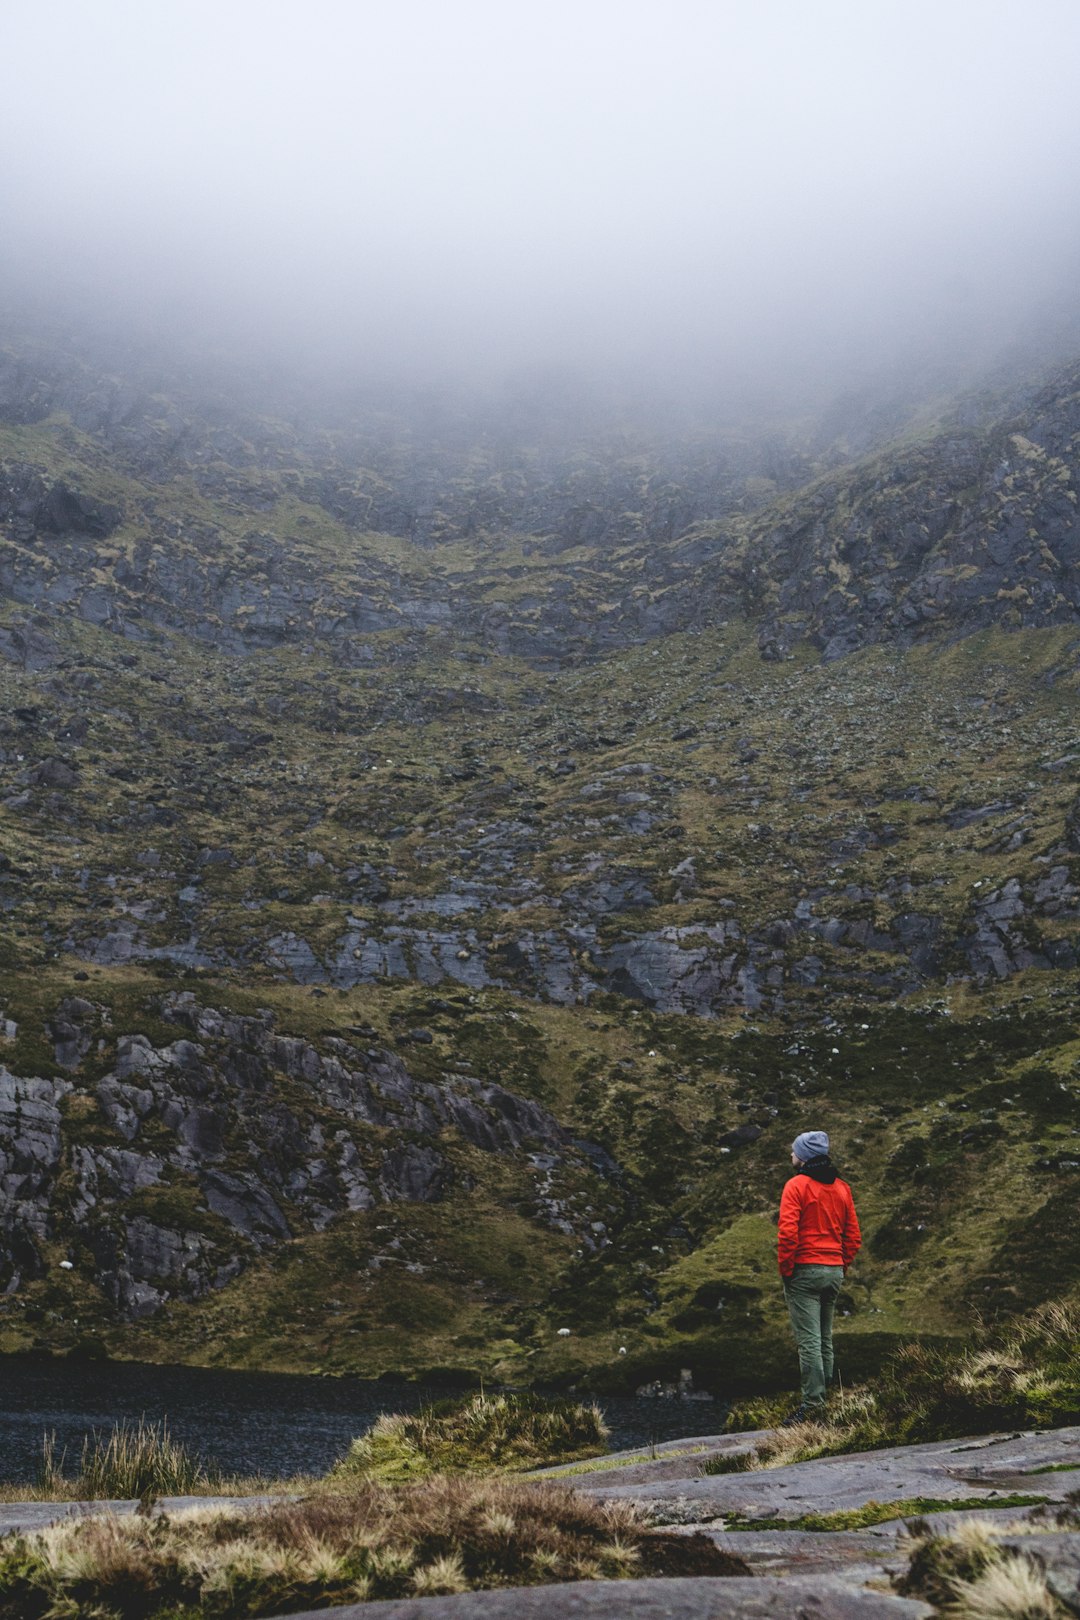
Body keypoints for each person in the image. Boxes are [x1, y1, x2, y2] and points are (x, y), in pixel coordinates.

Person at [777, 1129, 860, 1423]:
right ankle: (824, 1399)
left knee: (809, 1340)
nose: (791, 1155)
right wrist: (840, 1264)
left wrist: (787, 1268)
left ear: (804, 1157)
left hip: (804, 1271)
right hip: (833, 1269)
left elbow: (788, 1232)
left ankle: (813, 1406)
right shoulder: (842, 1189)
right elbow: (853, 1236)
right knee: (825, 1338)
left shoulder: (796, 1186)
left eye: (794, 1151)